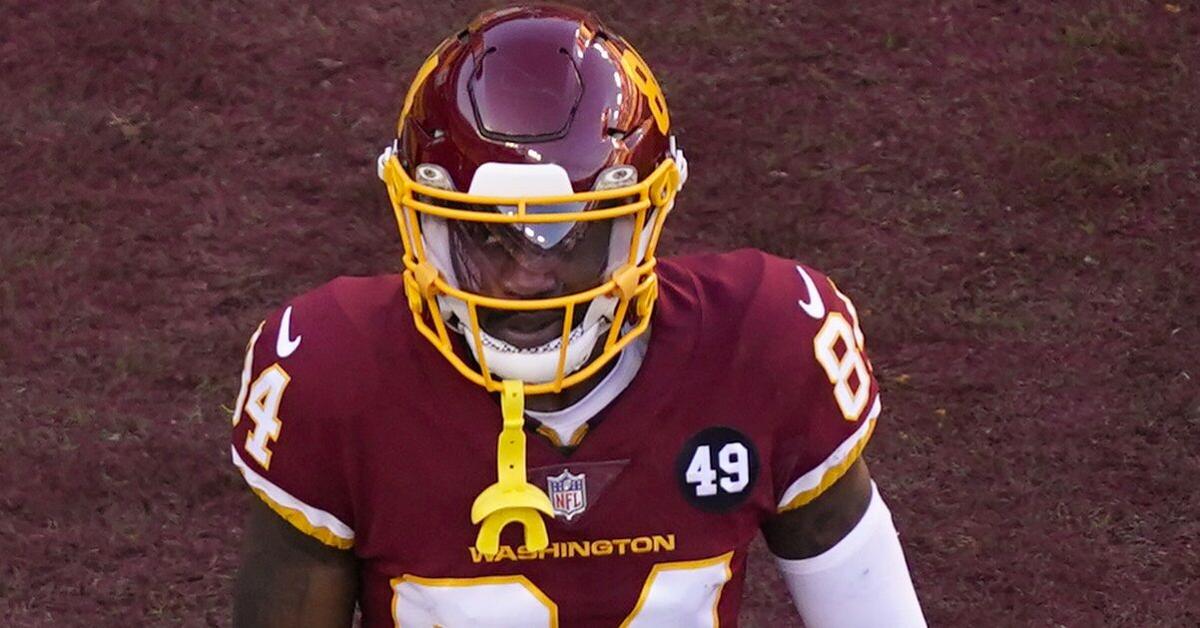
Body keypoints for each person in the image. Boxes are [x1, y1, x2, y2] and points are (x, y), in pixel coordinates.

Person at [230, 4, 926, 627]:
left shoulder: (766, 344)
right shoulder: (334, 381)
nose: (528, 276)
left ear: (643, 220)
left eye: (572, 235)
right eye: (485, 235)